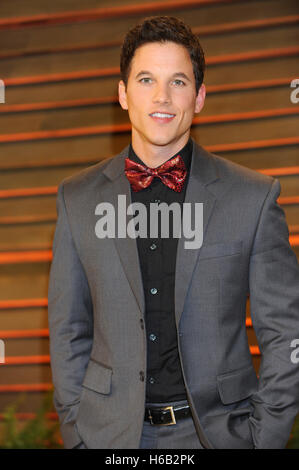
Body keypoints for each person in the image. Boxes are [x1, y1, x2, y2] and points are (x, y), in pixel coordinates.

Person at [48, 16, 299, 449]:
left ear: (199, 97)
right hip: (109, 437)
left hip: (219, 436)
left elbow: (286, 332)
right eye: (146, 79)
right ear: (123, 93)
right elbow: (68, 329)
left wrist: (265, 437)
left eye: (178, 82)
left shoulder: (253, 198)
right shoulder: (77, 199)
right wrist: (77, 430)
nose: (162, 96)